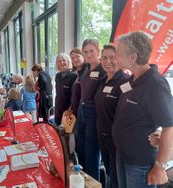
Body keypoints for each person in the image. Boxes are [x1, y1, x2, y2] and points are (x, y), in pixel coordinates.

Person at [112, 31, 173, 188]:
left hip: (139, 163)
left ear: (132, 57)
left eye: (118, 53)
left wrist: (160, 167)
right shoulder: (134, 78)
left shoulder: (155, 83)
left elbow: (169, 127)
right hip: (124, 154)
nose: (115, 57)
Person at [95, 44, 130, 188]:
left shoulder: (126, 81)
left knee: (117, 180)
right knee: (109, 174)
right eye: (105, 58)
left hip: (117, 141)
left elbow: (129, 113)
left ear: (120, 59)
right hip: (102, 136)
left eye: (112, 58)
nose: (108, 61)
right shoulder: (103, 80)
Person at [74, 38, 106, 180]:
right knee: (79, 148)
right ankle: (83, 180)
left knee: (91, 152)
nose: (88, 54)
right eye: (85, 52)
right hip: (82, 110)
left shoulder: (103, 69)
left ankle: (93, 182)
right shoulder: (86, 68)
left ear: (98, 50)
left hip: (93, 113)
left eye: (91, 51)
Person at [54, 53, 77, 126]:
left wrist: (70, 108)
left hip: (68, 110)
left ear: (68, 61)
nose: (61, 63)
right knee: (58, 131)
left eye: (64, 60)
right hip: (58, 108)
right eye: (59, 61)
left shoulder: (74, 76)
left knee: (67, 132)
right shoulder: (57, 76)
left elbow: (75, 95)